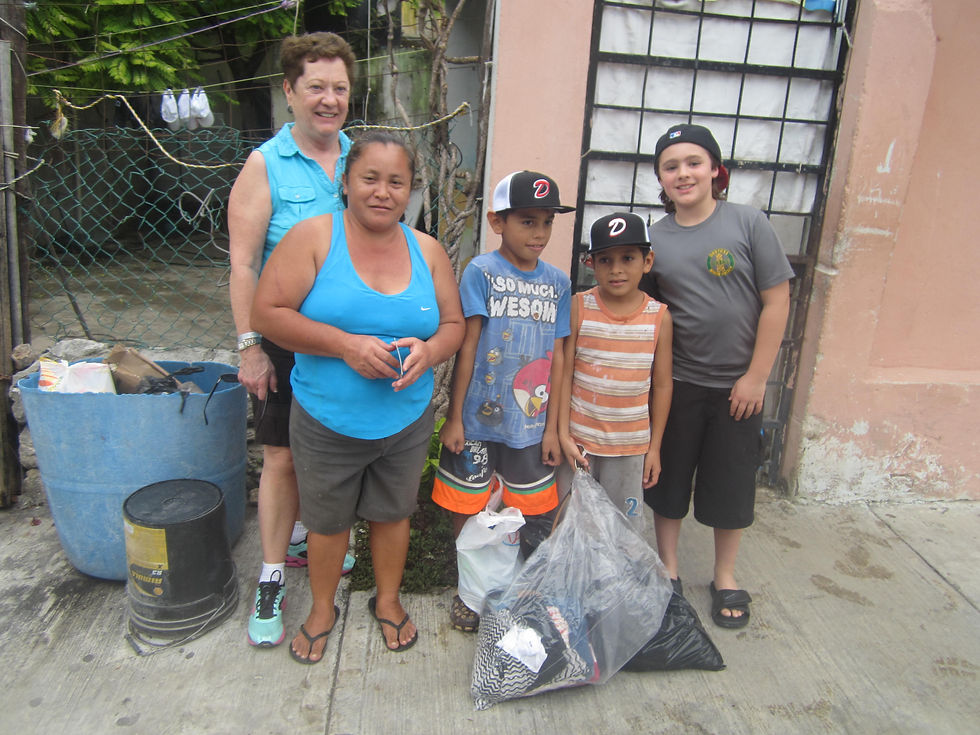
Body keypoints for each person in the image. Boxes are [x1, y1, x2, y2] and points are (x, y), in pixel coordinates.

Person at [251, 131, 465, 662]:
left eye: (397, 182)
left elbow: (455, 324)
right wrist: (343, 345)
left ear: (411, 191)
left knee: (394, 514)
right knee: (327, 522)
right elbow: (268, 314)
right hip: (327, 418)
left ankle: (387, 600)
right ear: (346, 181)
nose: (382, 192)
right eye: (370, 178)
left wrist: (431, 350)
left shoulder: (428, 250)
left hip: (405, 417)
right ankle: (323, 608)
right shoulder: (314, 238)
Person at [228, 32, 358, 648]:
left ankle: (318, 538)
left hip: (347, 341)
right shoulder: (265, 165)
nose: (328, 100)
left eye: (338, 88)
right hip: (282, 337)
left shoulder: (363, 159)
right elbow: (244, 265)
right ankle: (273, 576)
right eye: (316, 87)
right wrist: (248, 344)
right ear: (289, 92)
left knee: (334, 450)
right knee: (280, 456)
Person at [640, 123, 793, 628]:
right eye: (671, 166)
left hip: (738, 389)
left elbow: (777, 300)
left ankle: (725, 576)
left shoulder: (748, 223)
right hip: (678, 384)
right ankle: (668, 567)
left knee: (731, 485)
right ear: (660, 180)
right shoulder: (653, 239)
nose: (683, 174)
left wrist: (757, 376)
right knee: (669, 480)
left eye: (693, 163)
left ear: (714, 170)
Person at [433, 170, 574, 632]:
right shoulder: (482, 272)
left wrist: (553, 429)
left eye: (547, 223)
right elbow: (468, 344)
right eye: (527, 221)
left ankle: (513, 591)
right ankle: (469, 592)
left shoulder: (557, 282)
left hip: (530, 427)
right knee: (468, 505)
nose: (539, 233)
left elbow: (557, 359)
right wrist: (454, 418)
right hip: (477, 421)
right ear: (497, 222)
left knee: (528, 513)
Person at [557, 211, 673, 532]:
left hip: (630, 448)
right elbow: (565, 373)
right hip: (579, 446)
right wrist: (562, 434)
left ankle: (613, 584)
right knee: (572, 525)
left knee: (620, 531)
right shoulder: (579, 307)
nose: (617, 269)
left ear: (647, 261)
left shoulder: (659, 318)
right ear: (591, 264)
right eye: (605, 260)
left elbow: (662, 386)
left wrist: (655, 448)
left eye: (628, 258)